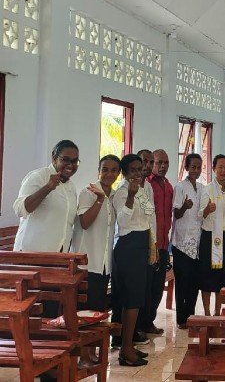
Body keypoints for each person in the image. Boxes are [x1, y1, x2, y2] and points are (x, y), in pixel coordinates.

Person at [70, 154, 120, 363]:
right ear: (98, 171)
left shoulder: (114, 196)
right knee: (85, 310)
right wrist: (99, 199)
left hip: (104, 262)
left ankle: (92, 351)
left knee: (98, 308)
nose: (109, 174)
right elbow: (84, 223)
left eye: (113, 170)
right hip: (87, 262)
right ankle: (84, 353)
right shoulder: (88, 193)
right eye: (105, 169)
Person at [112, 154, 151, 367]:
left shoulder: (143, 190)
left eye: (140, 169)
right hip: (128, 246)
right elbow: (123, 222)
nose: (138, 173)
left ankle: (128, 345)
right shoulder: (121, 192)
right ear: (125, 173)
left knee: (135, 299)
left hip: (141, 244)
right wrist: (130, 196)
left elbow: (149, 213)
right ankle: (125, 350)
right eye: (133, 170)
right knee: (130, 299)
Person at [13, 139, 79, 252]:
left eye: (74, 161)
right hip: (31, 255)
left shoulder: (71, 186)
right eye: (65, 159)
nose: (70, 165)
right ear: (54, 157)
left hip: (58, 257)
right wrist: (48, 187)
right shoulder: (39, 176)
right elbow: (20, 209)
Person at [172, 153, 206, 328]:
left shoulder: (202, 188)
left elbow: (202, 213)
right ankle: (181, 319)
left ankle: (191, 316)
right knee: (182, 282)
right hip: (181, 243)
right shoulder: (180, 187)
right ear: (186, 168)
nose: (196, 170)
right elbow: (176, 214)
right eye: (193, 167)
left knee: (194, 282)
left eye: (199, 167)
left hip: (197, 242)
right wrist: (184, 207)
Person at [198, 154, 225, 316]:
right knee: (207, 277)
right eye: (220, 167)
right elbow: (199, 215)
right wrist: (207, 210)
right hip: (210, 238)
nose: (223, 170)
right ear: (213, 169)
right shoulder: (207, 189)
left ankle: (217, 312)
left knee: (222, 278)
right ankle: (206, 313)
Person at [145, 149, 173, 335]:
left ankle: (149, 322)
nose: (162, 166)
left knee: (157, 288)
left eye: (166, 163)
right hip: (149, 244)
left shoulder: (168, 185)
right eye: (159, 162)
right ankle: (141, 323)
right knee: (146, 286)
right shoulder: (147, 184)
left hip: (163, 243)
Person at [135, 149, 158, 340]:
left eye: (151, 162)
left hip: (149, 241)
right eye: (145, 161)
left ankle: (144, 323)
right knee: (135, 287)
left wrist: (155, 243)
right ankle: (130, 331)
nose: (148, 166)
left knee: (147, 285)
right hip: (131, 244)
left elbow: (151, 215)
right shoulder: (127, 187)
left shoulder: (148, 187)